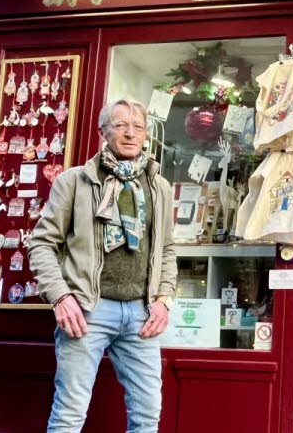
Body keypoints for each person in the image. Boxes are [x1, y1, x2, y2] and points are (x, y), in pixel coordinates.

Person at [28, 99, 177, 432]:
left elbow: (166, 249)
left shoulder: (159, 187)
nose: (130, 134)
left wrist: (164, 299)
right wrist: (61, 297)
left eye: (138, 127)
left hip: (142, 314)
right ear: (102, 132)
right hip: (88, 311)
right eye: (120, 125)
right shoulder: (73, 182)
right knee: (69, 414)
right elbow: (41, 243)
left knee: (147, 414)